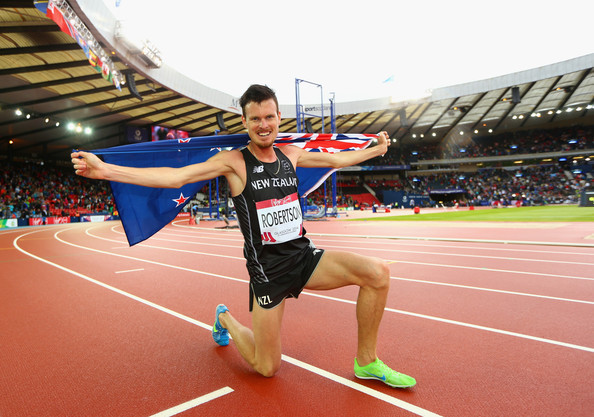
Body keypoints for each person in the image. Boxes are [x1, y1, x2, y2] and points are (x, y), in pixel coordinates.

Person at [71, 84, 416, 388]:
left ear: (279, 118)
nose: (263, 125)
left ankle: (366, 362)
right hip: (268, 272)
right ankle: (224, 317)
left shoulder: (292, 154)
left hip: (303, 257)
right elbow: (176, 178)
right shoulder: (233, 162)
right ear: (245, 122)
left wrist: (375, 150)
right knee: (267, 368)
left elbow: (336, 160)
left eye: (269, 117)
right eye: (255, 119)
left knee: (377, 274)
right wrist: (105, 170)